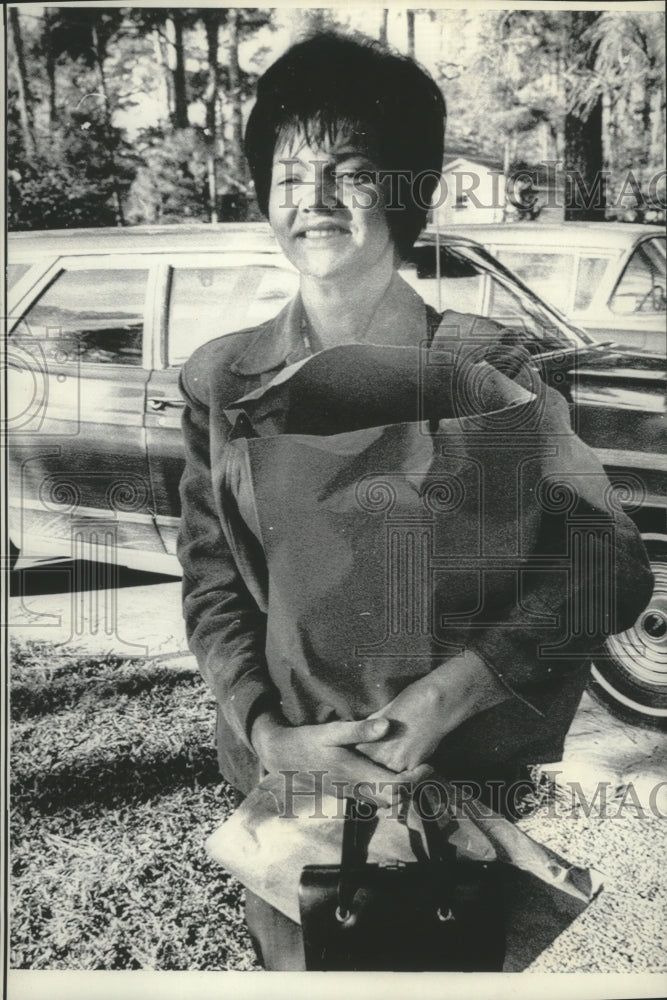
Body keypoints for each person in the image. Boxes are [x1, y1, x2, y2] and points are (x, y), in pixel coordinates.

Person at [177, 32, 653, 970]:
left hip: (451, 780)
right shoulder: (221, 378)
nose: (311, 202)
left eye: (348, 171)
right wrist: (269, 733)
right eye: (286, 174)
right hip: (291, 796)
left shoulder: (485, 368)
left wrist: (448, 695)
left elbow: (608, 566)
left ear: (407, 192)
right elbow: (212, 582)